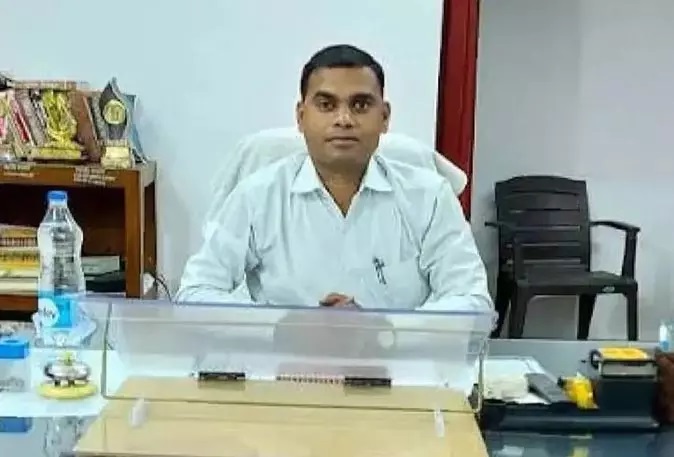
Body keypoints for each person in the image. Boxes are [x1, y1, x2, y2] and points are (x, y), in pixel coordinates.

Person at [175, 44, 492, 312]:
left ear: (384, 117)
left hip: (395, 361)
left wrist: (383, 331)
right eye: (326, 105)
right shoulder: (258, 196)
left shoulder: (429, 196)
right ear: (301, 117)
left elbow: (472, 300)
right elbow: (195, 292)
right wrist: (284, 328)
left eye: (360, 105)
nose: (344, 119)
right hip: (285, 361)